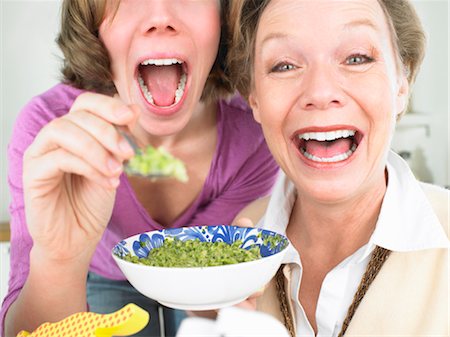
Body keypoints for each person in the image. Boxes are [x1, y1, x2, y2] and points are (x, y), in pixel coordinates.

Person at [1, 1, 279, 336]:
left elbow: (201, 295)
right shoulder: (49, 131)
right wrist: (60, 260)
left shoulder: (253, 133)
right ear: (93, 26)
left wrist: (232, 296)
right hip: (101, 275)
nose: (161, 18)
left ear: (223, 18)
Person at [227, 0, 449, 336]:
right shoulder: (239, 244)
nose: (320, 92)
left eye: (357, 58)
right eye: (284, 65)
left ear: (402, 83)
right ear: (254, 97)